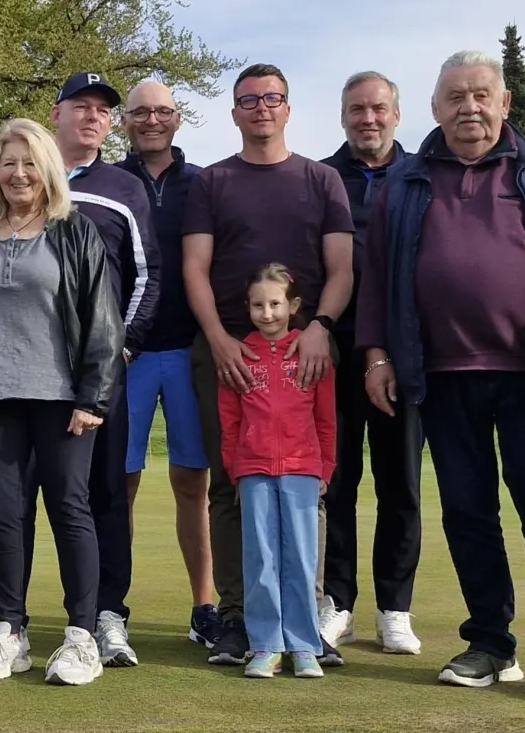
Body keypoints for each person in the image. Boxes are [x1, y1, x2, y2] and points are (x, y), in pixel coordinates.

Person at [357, 50, 525, 702]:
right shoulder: (404, 182)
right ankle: (491, 645)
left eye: (480, 95)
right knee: (468, 514)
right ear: (435, 109)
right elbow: (376, 279)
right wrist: (378, 357)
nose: (469, 107)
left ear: (503, 103)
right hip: (440, 376)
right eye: (455, 97)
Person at [181, 63, 354, 666]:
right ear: (235, 112)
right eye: (249, 99)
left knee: (308, 487)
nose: (262, 107)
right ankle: (238, 621)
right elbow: (195, 268)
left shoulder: (322, 179)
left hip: (307, 350)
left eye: (272, 97)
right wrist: (218, 339)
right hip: (228, 352)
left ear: (287, 107)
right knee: (233, 484)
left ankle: (304, 625)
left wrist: (320, 328)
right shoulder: (213, 181)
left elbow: (341, 269)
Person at [0, 119, 124, 686]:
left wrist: (94, 396)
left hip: (64, 400)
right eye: (7, 163)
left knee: (69, 510)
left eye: (28, 163)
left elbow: (103, 319)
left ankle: (82, 637)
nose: (18, 174)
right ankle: (9, 630)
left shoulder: (75, 231)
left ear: (46, 169)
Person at [49, 72, 158, 668]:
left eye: (102, 110)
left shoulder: (124, 187)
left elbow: (147, 274)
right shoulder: (28, 174)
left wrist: (122, 348)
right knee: (16, 499)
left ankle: (108, 615)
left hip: (101, 373)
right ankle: (7, 617)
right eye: (81, 106)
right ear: (56, 113)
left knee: (106, 494)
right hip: (31, 370)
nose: (93, 117)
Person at [317, 72, 423, 655]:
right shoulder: (321, 177)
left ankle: (394, 608)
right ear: (344, 117)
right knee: (337, 484)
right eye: (357, 109)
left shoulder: (422, 176)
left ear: (396, 115)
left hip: (403, 355)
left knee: (399, 482)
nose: (368, 119)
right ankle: (337, 603)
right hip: (335, 351)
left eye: (379, 108)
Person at [114, 81, 219, 649]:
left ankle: (205, 606)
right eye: (140, 112)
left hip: (187, 351)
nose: (151, 120)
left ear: (178, 119)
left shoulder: (204, 182)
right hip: (124, 354)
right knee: (120, 483)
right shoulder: (109, 182)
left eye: (162, 111)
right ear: (124, 121)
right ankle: (112, 606)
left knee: (192, 482)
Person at [220, 265, 337, 680]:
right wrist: (236, 472)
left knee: (301, 561)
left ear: (293, 305)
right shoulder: (238, 355)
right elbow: (230, 423)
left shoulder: (312, 354)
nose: (267, 313)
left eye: (275, 304)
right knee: (261, 561)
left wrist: (325, 469)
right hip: (253, 471)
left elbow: (326, 420)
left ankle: (304, 646)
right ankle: (266, 645)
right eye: (258, 305)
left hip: (303, 470)